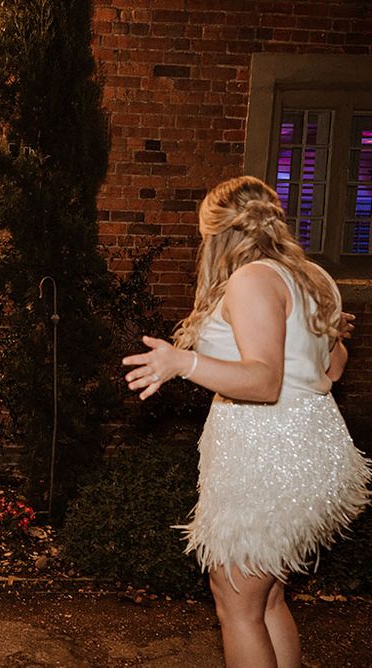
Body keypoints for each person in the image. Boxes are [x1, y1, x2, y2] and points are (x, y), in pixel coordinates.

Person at [122, 176, 371, 667]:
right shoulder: (312, 277)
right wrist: (328, 336)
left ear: (215, 230)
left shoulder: (252, 278)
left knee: (236, 603)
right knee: (266, 600)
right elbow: (332, 370)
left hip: (269, 455)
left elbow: (263, 382)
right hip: (309, 447)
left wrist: (182, 363)